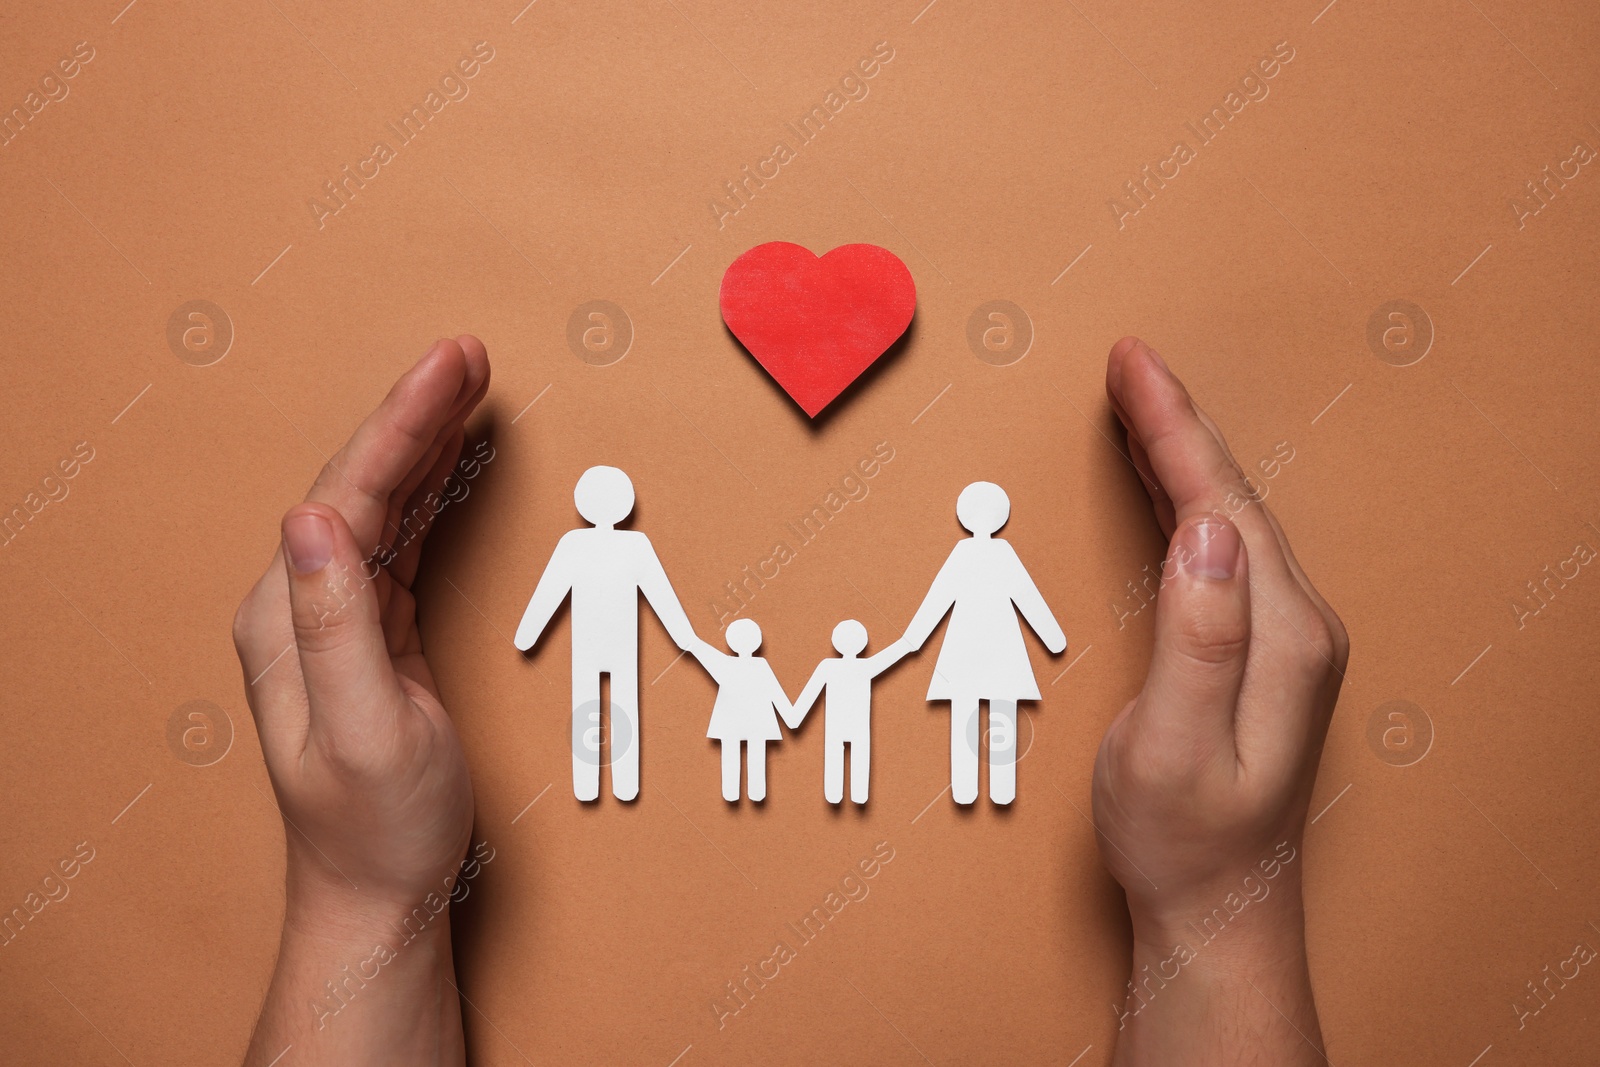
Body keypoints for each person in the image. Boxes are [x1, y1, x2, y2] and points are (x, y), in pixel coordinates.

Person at [233, 335, 1346, 1065]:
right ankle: (606, 764)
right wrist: (1218, 904)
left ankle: (610, 762)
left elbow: (690, 613)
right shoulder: (593, 552)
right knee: (601, 716)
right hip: (779, 668)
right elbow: (657, 611)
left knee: (966, 736)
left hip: (955, 673)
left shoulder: (971, 567)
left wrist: (359, 894)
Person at [514, 464, 700, 802]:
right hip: (620, 646)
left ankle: (588, 786)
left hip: (591, 646)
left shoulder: (575, 543)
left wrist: (528, 634)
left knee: (588, 708)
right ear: (626, 504)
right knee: (624, 706)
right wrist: (683, 637)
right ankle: (624, 786)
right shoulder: (634, 545)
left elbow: (549, 593)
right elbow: (660, 595)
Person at [899, 480, 1067, 805]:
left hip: (977, 647)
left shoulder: (979, 553)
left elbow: (1021, 594)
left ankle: (977, 789)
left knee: (975, 710)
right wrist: (1053, 637)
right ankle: (989, 790)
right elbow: (1022, 596)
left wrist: (914, 637)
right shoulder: (990, 553)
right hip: (991, 648)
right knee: (990, 712)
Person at [788, 620, 909, 804]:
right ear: (862, 643)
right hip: (857, 727)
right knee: (859, 756)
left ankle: (835, 795)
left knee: (835, 756)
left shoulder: (829, 666)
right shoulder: (865, 666)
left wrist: (794, 716)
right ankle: (857, 795)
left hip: (837, 727)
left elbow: (809, 694)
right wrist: (908, 643)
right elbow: (895, 652)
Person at [689, 618, 794, 802]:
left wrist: (693, 643)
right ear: (757, 641)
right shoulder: (758, 665)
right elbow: (776, 693)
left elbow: (704, 654)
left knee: (733, 753)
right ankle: (755, 792)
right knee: (755, 754)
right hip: (758, 723)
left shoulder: (728, 664)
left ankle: (733, 792)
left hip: (732, 723)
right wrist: (791, 715)